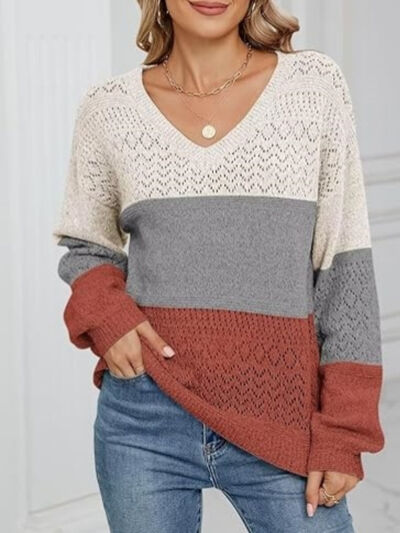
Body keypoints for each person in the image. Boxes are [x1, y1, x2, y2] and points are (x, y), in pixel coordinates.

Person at [52, 0, 385, 531]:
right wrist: (110, 316)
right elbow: (86, 244)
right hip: (144, 418)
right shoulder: (108, 107)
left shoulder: (314, 87)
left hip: (284, 417)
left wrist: (344, 431)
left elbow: (344, 268)